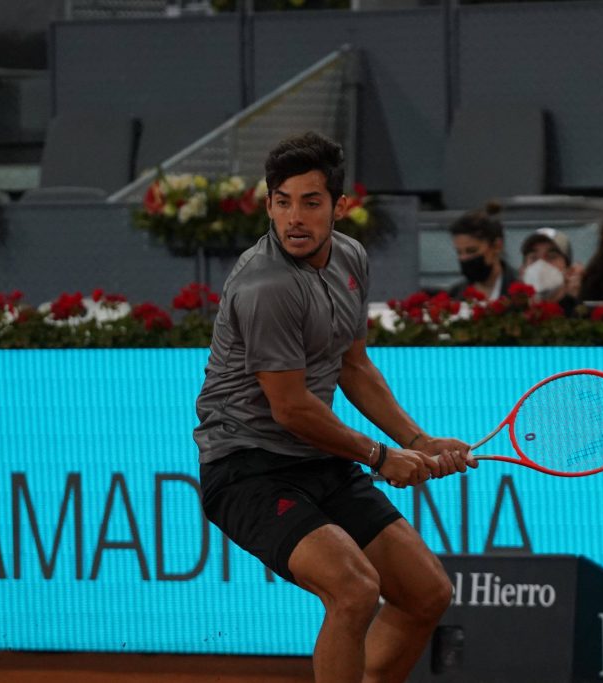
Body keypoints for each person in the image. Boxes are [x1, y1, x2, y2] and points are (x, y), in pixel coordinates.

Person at [193, 131, 476, 683]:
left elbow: (354, 367)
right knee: (354, 590)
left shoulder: (349, 257)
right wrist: (379, 455)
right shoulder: (266, 285)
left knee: (426, 594)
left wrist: (417, 442)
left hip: (317, 461)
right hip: (248, 468)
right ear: (269, 203)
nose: (294, 217)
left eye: (311, 201)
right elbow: (292, 409)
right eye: (282, 201)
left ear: (340, 206)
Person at [447, 203, 517, 300]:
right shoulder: (455, 295)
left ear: (497, 246)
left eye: (472, 251)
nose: (464, 258)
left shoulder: (521, 292)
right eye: (459, 252)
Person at [518, 226, 583, 313]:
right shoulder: (509, 316)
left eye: (551, 257)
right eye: (533, 258)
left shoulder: (581, 315)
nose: (541, 263)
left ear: (569, 271)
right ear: (523, 271)